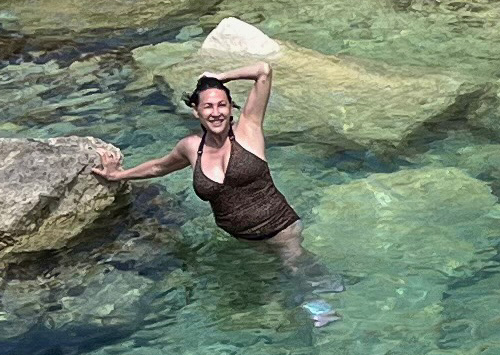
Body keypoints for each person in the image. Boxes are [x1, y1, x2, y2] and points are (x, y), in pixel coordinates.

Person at [94, 65, 329, 312]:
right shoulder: (190, 147)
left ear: (230, 109)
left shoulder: (248, 130)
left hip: (281, 230)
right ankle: (321, 294)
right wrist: (119, 175)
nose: (216, 112)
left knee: (297, 271)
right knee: (273, 288)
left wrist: (219, 78)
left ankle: (325, 315)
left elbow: (263, 72)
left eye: (222, 105)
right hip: (246, 241)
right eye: (208, 106)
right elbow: (158, 168)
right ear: (196, 111)